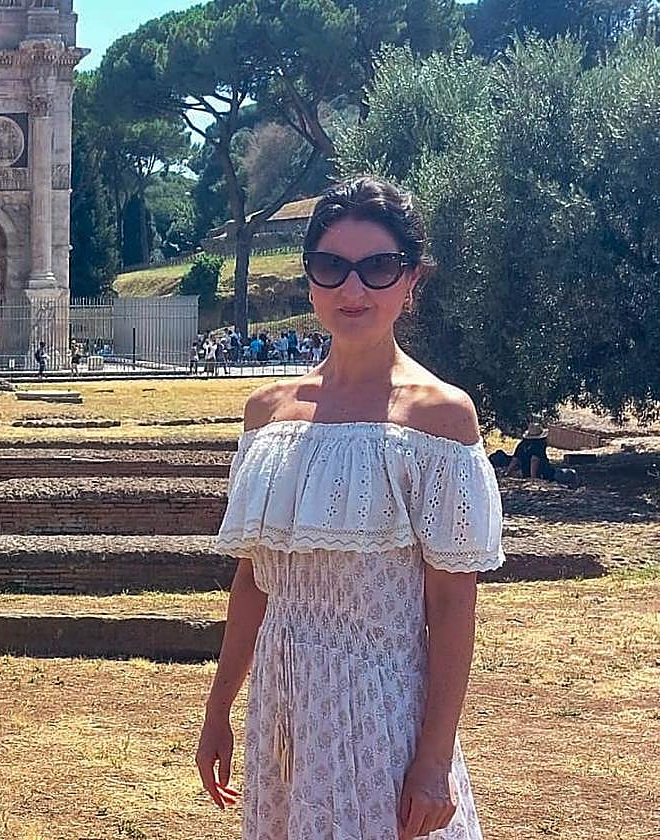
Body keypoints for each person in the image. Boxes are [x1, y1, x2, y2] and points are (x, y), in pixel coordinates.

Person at [197, 176, 503, 840]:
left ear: (411, 279)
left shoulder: (440, 419)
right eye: (331, 267)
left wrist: (432, 760)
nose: (352, 290)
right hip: (282, 708)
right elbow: (254, 582)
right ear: (309, 277)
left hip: (381, 709)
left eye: (378, 268)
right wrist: (219, 707)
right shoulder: (267, 413)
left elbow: (452, 605)